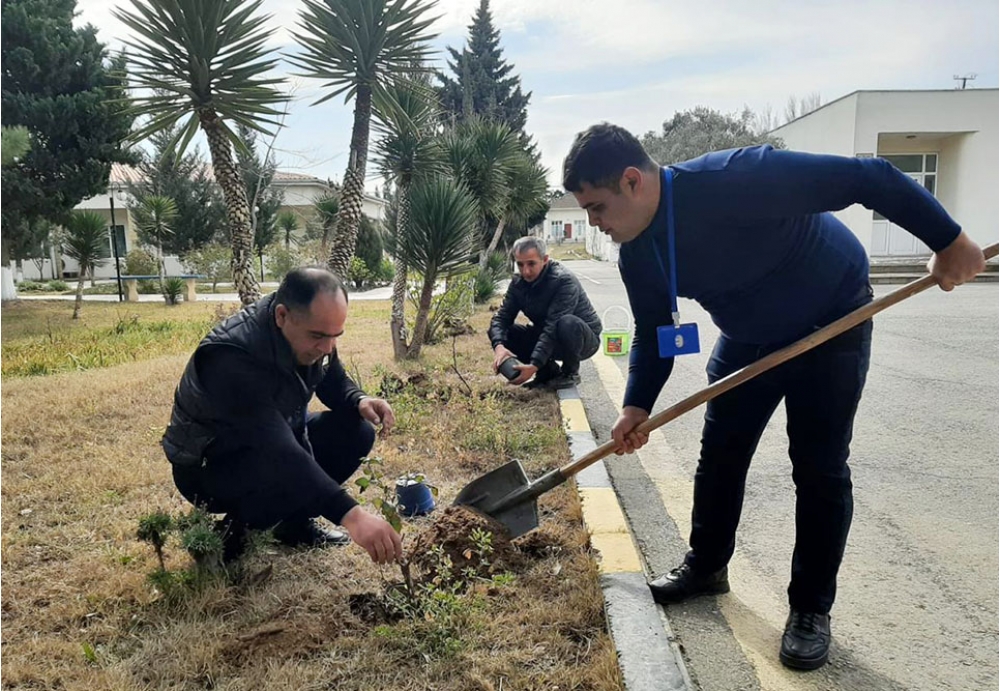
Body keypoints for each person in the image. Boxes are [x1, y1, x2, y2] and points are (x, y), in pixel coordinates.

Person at [562, 123, 985, 670]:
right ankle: (706, 566)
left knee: (818, 468)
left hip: (831, 322)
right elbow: (655, 330)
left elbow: (871, 178)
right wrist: (635, 406)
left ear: (631, 180)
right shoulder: (638, 253)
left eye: (596, 207)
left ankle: (810, 608)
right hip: (748, 337)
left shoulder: (737, 177)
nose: (594, 222)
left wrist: (949, 242)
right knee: (720, 455)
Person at [162, 267, 404, 566]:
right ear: (281, 315)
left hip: (267, 443)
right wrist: (352, 515)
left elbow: (331, 379)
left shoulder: (309, 333)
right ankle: (229, 539)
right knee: (283, 466)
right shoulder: (230, 357)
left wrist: (359, 399)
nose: (327, 347)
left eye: (335, 336)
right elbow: (277, 450)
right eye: (318, 336)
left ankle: (292, 524)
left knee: (355, 431)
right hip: (209, 467)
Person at [489, 236, 603, 390]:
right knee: (504, 332)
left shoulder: (564, 280)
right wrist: (499, 347)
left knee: (567, 322)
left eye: (531, 264)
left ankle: (570, 373)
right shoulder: (517, 284)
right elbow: (501, 319)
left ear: (545, 260)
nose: (526, 271)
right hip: (548, 335)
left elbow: (553, 325)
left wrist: (534, 365)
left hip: (582, 340)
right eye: (520, 264)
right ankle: (547, 372)